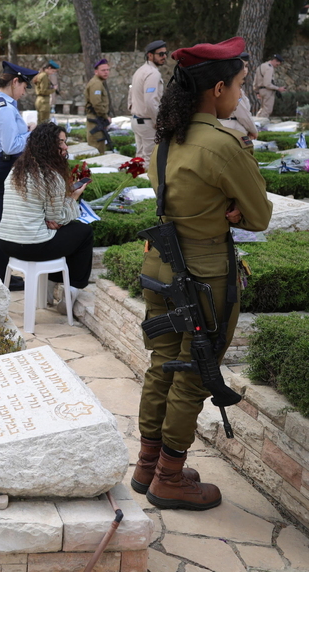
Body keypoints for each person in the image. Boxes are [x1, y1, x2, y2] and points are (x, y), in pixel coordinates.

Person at [134, 36, 272, 510]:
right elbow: (259, 215)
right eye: (239, 84)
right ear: (217, 89)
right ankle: (169, 478)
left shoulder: (166, 139)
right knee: (194, 370)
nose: (240, 93)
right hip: (203, 272)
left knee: (162, 364)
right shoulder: (222, 143)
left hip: (161, 264)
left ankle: (148, 463)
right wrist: (233, 207)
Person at [0, 123, 93, 303]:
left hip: (6, 243)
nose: (66, 147)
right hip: (31, 245)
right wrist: (73, 198)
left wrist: (53, 220)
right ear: (48, 144)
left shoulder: (16, 171)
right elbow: (58, 218)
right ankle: (72, 291)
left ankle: (48, 291)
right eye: (61, 142)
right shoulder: (51, 176)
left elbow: (48, 216)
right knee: (84, 232)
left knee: (64, 233)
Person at [0, 61, 39, 288]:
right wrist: (33, 133)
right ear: (15, 81)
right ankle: (0, 275)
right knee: (3, 224)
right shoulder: (4, 107)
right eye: (24, 86)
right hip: (4, 165)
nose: (24, 92)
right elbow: (11, 146)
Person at [128, 41, 168, 167]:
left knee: (140, 159)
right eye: (160, 54)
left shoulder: (140, 71)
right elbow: (150, 101)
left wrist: (134, 110)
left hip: (138, 120)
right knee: (150, 161)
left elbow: (130, 94)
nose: (164, 56)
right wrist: (157, 121)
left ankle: (137, 179)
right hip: (147, 122)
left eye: (165, 53)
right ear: (150, 55)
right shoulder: (152, 73)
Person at [220, 52, 258, 139]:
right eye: (241, 66)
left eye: (246, 66)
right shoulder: (231, 87)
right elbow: (242, 114)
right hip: (231, 129)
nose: (245, 70)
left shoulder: (234, 86)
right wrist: (254, 131)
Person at [84, 59, 111, 155]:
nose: (106, 72)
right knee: (96, 148)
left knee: (99, 147)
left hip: (97, 119)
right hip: (96, 120)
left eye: (107, 70)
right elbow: (97, 104)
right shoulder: (96, 84)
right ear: (96, 71)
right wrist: (105, 116)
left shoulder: (98, 82)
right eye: (103, 70)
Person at [253, 54, 286, 119]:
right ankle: (261, 124)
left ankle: (256, 122)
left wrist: (257, 91)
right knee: (267, 110)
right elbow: (267, 84)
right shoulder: (269, 68)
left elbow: (255, 81)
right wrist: (278, 88)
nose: (278, 65)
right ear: (275, 60)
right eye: (278, 63)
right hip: (267, 91)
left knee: (262, 109)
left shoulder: (261, 66)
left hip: (261, 90)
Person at [32, 60, 59, 127]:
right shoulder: (44, 76)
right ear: (49, 68)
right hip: (43, 101)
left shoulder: (42, 75)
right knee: (44, 122)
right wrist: (53, 89)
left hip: (41, 100)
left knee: (41, 122)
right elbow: (43, 91)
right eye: (53, 71)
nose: (53, 73)